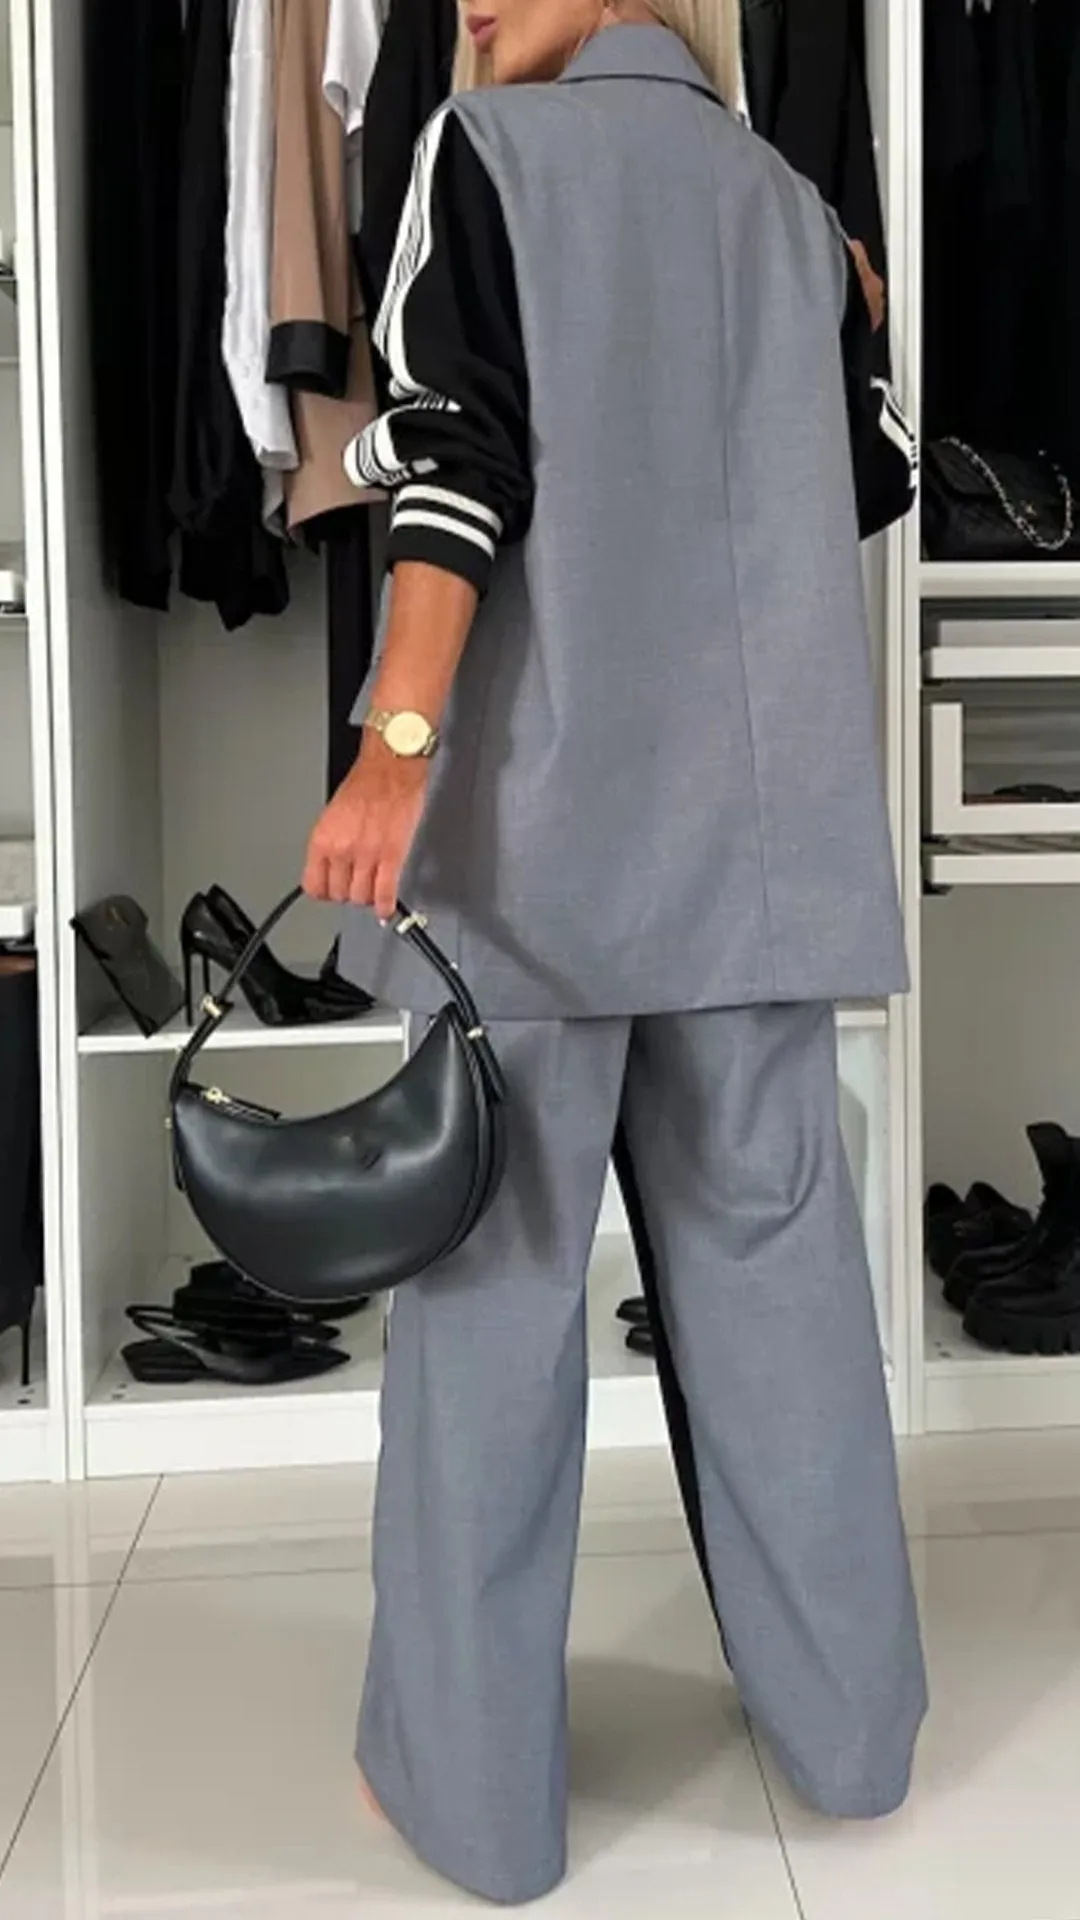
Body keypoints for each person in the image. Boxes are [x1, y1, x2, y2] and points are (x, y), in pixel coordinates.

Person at [302, 0, 928, 1902]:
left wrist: (396, 743)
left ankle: (476, 1802)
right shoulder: (789, 205)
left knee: (495, 1305)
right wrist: (842, 313)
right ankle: (854, 1739)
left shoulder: (482, 158)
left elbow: (456, 463)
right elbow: (874, 478)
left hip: (538, 857)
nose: (473, 4)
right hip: (762, 851)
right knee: (782, 1292)